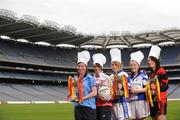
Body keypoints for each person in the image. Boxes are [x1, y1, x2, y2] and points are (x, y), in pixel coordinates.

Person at [73, 50, 97, 120]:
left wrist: (83, 98)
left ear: (86, 67)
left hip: (89, 107)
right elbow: (74, 91)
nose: (80, 68)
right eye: (79, 66)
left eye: (82, 66)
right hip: (78, 106)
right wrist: (74, 96)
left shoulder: (90, 78)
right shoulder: (75, 78)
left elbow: (94, 93)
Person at [147, 45, 169, 120]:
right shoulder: (150, 74)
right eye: (148, 60)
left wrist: (156, 87)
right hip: (152, 101)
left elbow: (166, 86)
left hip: (161, 100)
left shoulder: (162, 71)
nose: (149, 62)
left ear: (155, 60)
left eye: (151, 60)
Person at [110, 48, 130, 120]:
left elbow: (127, 88)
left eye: (116, 65)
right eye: (112, 65)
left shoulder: (123, 75)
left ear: (120, 65)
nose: (114, 66)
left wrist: (120, 89)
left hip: (121, 103)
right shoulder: (111, 76)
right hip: (113, 103)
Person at [128, 51, 149, 120]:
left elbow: (147, 88)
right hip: (131, 101)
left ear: (138, 65)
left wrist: (136, 90)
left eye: (134, 65)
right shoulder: (129, 77)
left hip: (141, 100)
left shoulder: (143, 74)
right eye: (131, 65)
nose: (132, 67)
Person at [92, 53, 112, 120]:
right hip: (94, 105)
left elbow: (111, 91)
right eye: (95, 66)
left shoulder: (107, 78)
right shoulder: (92, 78)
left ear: (101, 67)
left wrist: (107, 96)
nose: (96, 68)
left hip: (105, 105)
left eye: (98, 66)